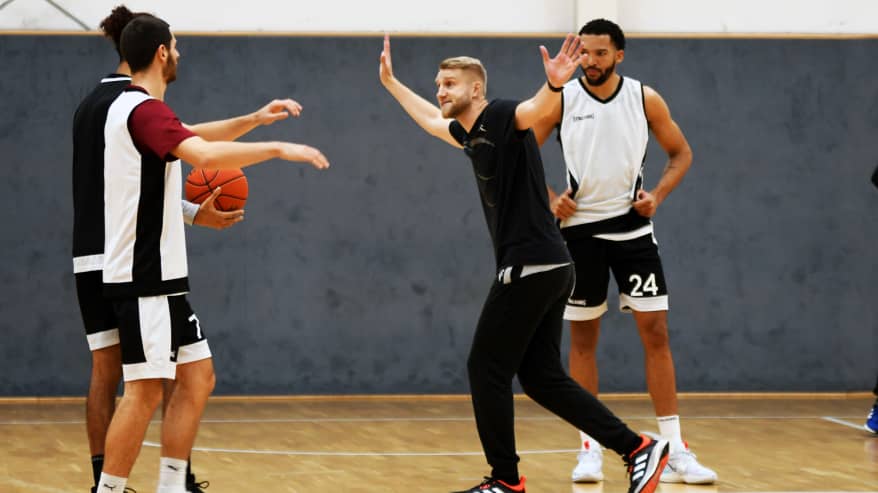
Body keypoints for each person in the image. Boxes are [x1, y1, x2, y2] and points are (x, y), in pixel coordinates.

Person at [379, 33, 668, 493]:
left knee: (485, 368)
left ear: (476, 90)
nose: (441, 90)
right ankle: (637, 448)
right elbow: (434, 121)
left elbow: (531, 111)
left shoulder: (499, 115)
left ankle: (505, 480)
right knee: (540, 377)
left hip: (530, 266)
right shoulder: (473, 134)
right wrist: (392, 84)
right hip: (551, 266)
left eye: (449, 83)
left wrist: (553, 86)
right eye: (438, 83)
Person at [73, 6, 308, 492]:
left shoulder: (127, 109)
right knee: (142, 391)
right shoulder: (140, 109)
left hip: (158, 276)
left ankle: (173, 484)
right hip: (145, 277)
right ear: (162, 54)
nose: (179, 53)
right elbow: (199, 152)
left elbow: (190, 136)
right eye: (175, 47)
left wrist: (255, 121)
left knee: (198, 377)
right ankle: (109, 489)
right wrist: (279, 148)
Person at [529, 18, 716, 485]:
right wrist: (552, 197)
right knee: (583, 342)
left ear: (619, 55)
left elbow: (682, 152)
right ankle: (589, 447)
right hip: (578, 235)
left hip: (634, 234)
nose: (589, 62)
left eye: (599, 54)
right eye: (584, 53)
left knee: (656, 334)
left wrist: (659, 196)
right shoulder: (562, 98)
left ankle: (673, 449)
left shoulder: (643, 97)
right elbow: (522, 157)